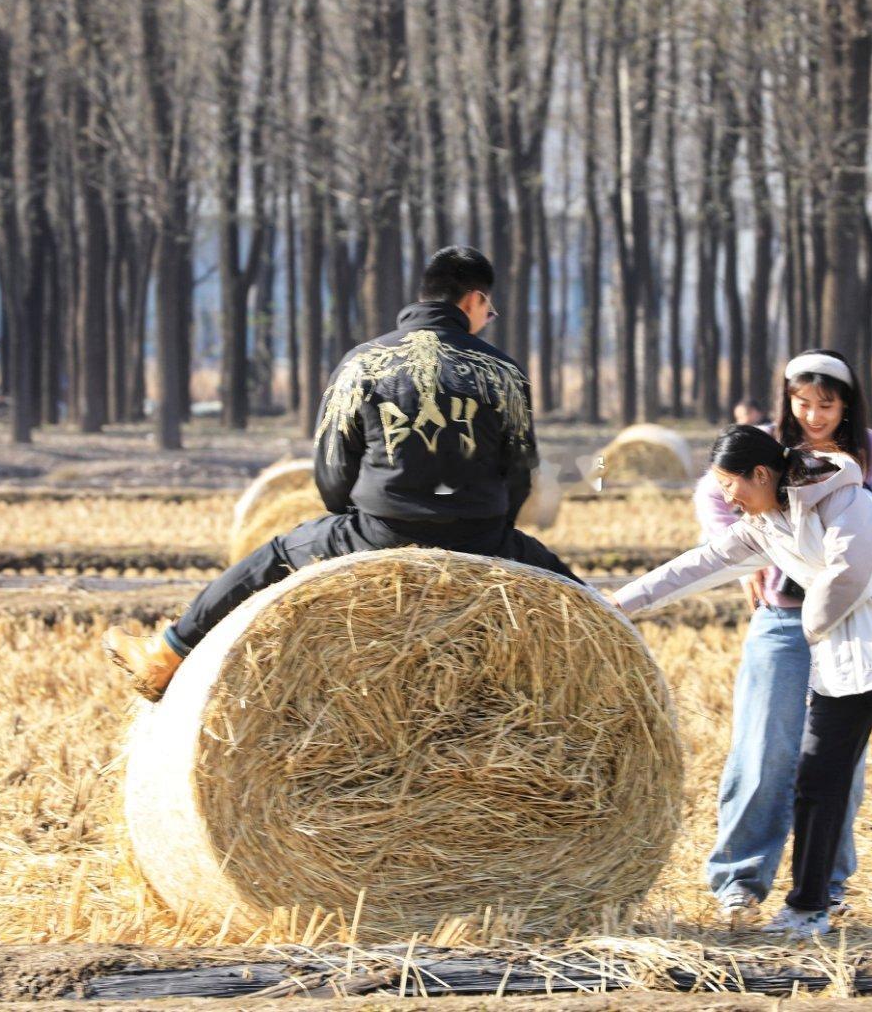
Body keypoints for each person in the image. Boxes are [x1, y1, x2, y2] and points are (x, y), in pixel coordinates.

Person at [104, 246, 581, 700]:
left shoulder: (362, 363)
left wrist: (348, 520)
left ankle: (165, 656)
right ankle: (613, 644)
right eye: (488, 311)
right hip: (481, 535)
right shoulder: (503, 371)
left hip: (381, 532)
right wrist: (492, 529)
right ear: (474, 300)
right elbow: (521, 471)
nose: (487, 319)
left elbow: (332, 470)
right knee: (580, 599)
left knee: (273, 556)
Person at [609, 424, 872, 944]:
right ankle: (808, 907)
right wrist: (618, 603)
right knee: (817, 785)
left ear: (761, 474)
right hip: (839, 666)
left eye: (730, 484)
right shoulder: (763, 523)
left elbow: (850, 574)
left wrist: (806, 628)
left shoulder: (845, 499)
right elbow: (701, 563)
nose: (727, 498)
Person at [693, 350, 872, 926]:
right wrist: (746, 557)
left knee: (839, 759)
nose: (813, 417)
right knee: (763, 748)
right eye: (802, 403)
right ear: (786, 400)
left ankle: (827, 883)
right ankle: (739, 881)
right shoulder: (766, 443)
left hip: (850, 624)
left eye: (826, 405)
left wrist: (860, 557)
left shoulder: (870, 450)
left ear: (847, 405)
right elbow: (714, 495)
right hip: (781, 619)